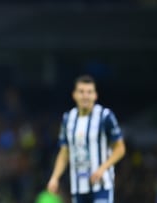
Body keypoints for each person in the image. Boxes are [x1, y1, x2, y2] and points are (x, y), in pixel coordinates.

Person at [47, 75, 125, 203]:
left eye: (89, 92)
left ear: (95, 95)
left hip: (102, 184)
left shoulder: (105, 116)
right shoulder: (68, 119)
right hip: (78, 186)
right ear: (74, 95)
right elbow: (64, 152)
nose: (85, 96)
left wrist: (102, 168)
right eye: (81, 92)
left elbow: (120, 148)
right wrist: (55, 177)